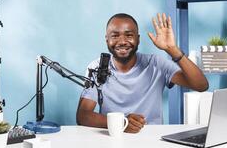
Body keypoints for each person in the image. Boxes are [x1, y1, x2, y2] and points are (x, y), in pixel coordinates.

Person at [76, 13, 208, 133]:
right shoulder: (98, 67)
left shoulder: (156, 64)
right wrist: (122, 123)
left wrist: (172, 50)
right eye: (115, 35)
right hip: (113, 137)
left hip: (151, 139)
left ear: (138, 39)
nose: (122, 41)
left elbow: (201, 85)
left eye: (129, 35)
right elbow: (83, 116)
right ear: (107, 40)